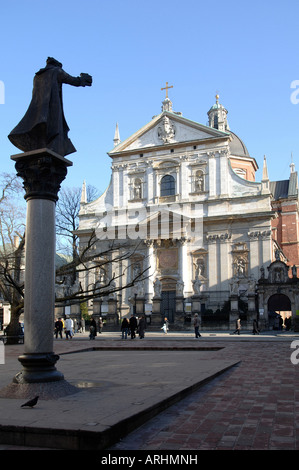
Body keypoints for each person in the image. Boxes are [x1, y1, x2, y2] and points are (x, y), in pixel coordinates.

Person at [8, 57, 92, 157]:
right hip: (53, 106)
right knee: (55, 128)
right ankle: (53, 147)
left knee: (40, 127)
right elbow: (73, 80)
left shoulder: (38, 76)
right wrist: (83, 79)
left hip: (38, 109)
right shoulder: (56, 71)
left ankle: (40, 146)